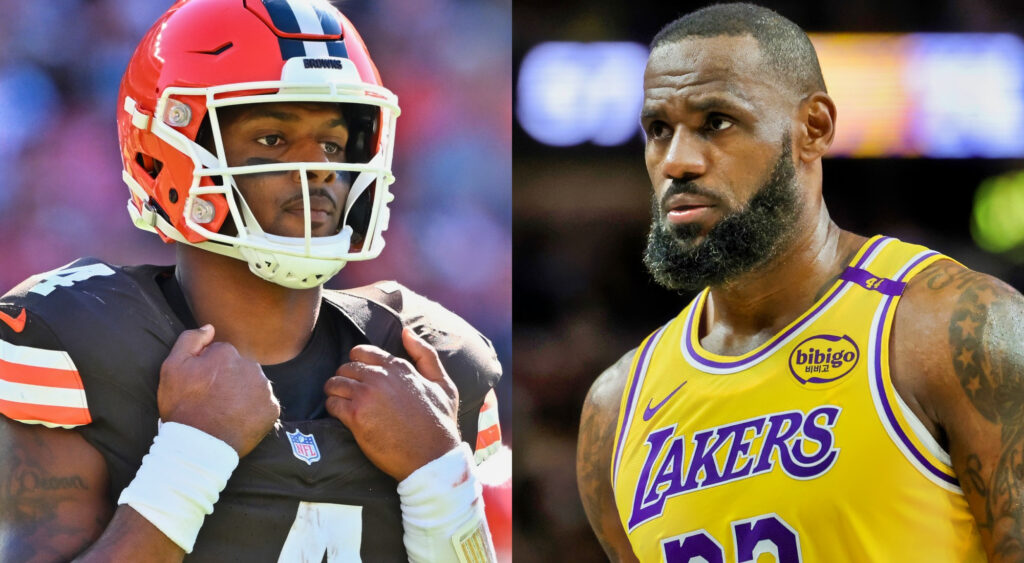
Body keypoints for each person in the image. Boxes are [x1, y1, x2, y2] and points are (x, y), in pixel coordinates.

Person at [0, 0, 509, 561]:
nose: (319, 168)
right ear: (166, 151)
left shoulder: (431, 359)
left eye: (334, 143)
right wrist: (191, 457)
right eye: (272, 138)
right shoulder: (72, 340)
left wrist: (440, 482)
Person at [576, 3, 1024, 562]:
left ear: (813, 128)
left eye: (717, 122)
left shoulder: (953, 328)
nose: (677, 162)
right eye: (659, 130)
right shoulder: (615, 409)